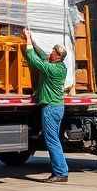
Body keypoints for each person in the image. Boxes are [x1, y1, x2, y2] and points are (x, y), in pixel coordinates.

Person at [23, 28, 69, 183]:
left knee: (52, 141)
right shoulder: (60, 66)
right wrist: (32, 40)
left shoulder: (52, 69)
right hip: (57, 107)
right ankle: (61, 171)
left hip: (50, 108)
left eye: (53, 52)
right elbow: (42, 54)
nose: (50, 52)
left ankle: (61, 173)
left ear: (57, 56)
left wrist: (28, 42)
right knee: (54, 139)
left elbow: (33, 59)